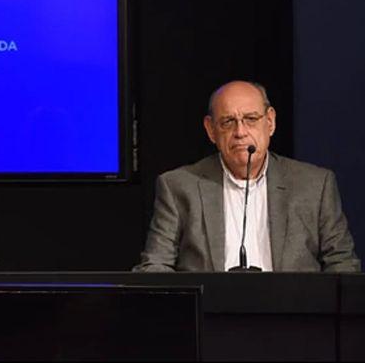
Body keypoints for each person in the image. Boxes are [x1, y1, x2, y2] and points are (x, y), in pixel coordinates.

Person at [135, 80, 359, 272]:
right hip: (210, 318)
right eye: (228, 122)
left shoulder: (315, 185)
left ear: (269, 122)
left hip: (293, 317)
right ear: (211, 130)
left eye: (251, 119)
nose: (240, 132)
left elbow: (342, 266)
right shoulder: (179, 187)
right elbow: (155, 267)